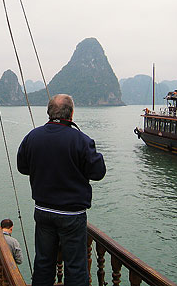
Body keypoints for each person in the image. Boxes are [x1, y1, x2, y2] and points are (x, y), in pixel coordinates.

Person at [17, 94, 106, 286]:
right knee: (75, 267)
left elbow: (22, 167)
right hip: (72, 215)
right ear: (71, 114)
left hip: (43, 211)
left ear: (49, 112)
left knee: (43, 263)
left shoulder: (32, 137)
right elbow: (98, 172)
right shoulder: (81, 140)